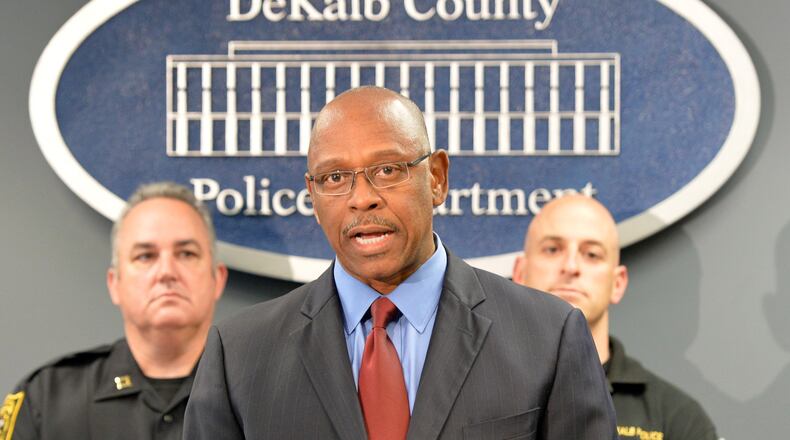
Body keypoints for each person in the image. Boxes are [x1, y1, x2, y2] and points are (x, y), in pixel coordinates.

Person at [184, 86, 616, 439]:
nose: (362, 198)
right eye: (335, 177)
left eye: (388, 170)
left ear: (437, 178)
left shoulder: (549, 337)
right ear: (313, 197)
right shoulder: (239, 355)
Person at [1, 182, 228, 440]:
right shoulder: (46, 400)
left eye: (186, 254)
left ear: (218, 279)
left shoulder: (251, 393)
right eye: (145, 256)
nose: (167, 272)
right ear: (114, 283)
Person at [512, 194, 718, 439]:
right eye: (552, 249)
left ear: (617, 283)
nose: (571, 266)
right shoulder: (478, 389)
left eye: (592, 254)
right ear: (520, 273)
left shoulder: (677, 419)